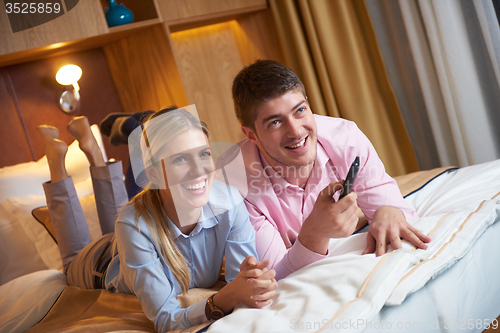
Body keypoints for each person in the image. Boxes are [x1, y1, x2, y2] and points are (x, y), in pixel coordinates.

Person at [36, 109, 277, 332]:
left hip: (129, 239)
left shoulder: (230, 202)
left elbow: (240, 285)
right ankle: (56, 160)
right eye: (180, 159)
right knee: (72, 259)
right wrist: (225, 297)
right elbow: (166, 320)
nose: (198, 170)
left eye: (204, 154)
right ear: (153, 174)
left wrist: (250, 282)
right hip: (99, 263)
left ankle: (92, 148)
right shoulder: (133, 226)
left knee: (124, 218)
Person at [226, 59, 431, 280]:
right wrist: (315, 234)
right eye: (275, 122)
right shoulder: (234, 184)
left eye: (300, 110)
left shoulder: (346, 138)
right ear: (251, 135)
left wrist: (388, 210)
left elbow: (393, 207)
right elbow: (271, 277)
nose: (295, 131)